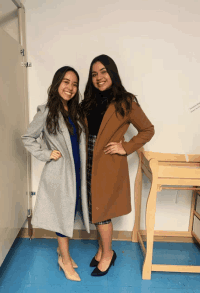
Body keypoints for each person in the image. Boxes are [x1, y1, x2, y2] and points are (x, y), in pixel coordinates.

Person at [81, 54, 155, 277]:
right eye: (94, 74)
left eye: (103, 71)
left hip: (109, 164)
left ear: (112, 73)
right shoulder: (89, 101)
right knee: (94, 206)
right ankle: (102, 249)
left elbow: (148, 130)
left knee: (102, 211)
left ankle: (108, 254)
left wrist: (127, 146)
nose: (99, 77)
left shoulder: (127, 102)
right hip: (89, 160)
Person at [21, 66, 90, 282]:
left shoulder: (75, 112)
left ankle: (62, 252)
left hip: (77, 171)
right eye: (66, 82)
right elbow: (27, 138)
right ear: (57, 83)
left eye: (75, 84)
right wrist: (47, 153)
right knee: (63, 215)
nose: (70, 87)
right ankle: (65, 260)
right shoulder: (46, 112)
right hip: (59, 174)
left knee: (70, 212)